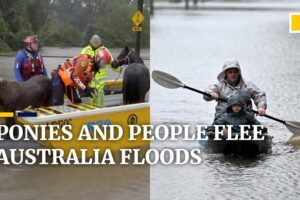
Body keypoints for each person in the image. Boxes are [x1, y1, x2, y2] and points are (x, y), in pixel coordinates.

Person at [80, 34, 120, 106]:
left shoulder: (104, 50)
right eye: (94, 41)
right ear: (90, 41)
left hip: (100, 83)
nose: (96, 42)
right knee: (89, 103)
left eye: (97, 41)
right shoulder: (85, 50)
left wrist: (118, 69)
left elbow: (110, 62)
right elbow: (80, 64)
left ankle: (100, 112)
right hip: (89, 82)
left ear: (100, 41)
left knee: (99, 102)